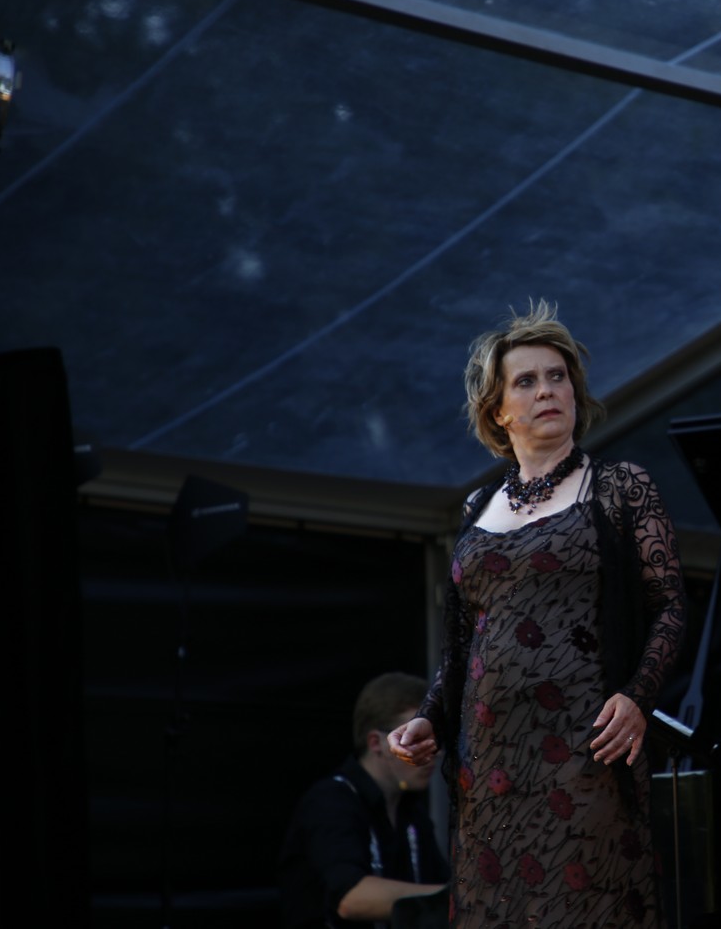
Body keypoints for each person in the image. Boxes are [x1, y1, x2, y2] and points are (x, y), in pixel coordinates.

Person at [388, 301, 687, 928]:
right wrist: (428, 719)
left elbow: (669, 607)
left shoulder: (619, 486)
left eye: (557, 376)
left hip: (586, 749)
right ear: (498, 410)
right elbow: (461, 648)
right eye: (526, 381)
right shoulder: (477, 506)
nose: (547, 389)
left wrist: (637, 697)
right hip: (489, 762)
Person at [279, 671, 449, 929]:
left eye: (435, 739)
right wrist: (454, 898)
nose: (434, 751)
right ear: (376, 742)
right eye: (417, 738)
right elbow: (352, 898)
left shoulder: (411, 810)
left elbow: (437, 879)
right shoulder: (331, 801)